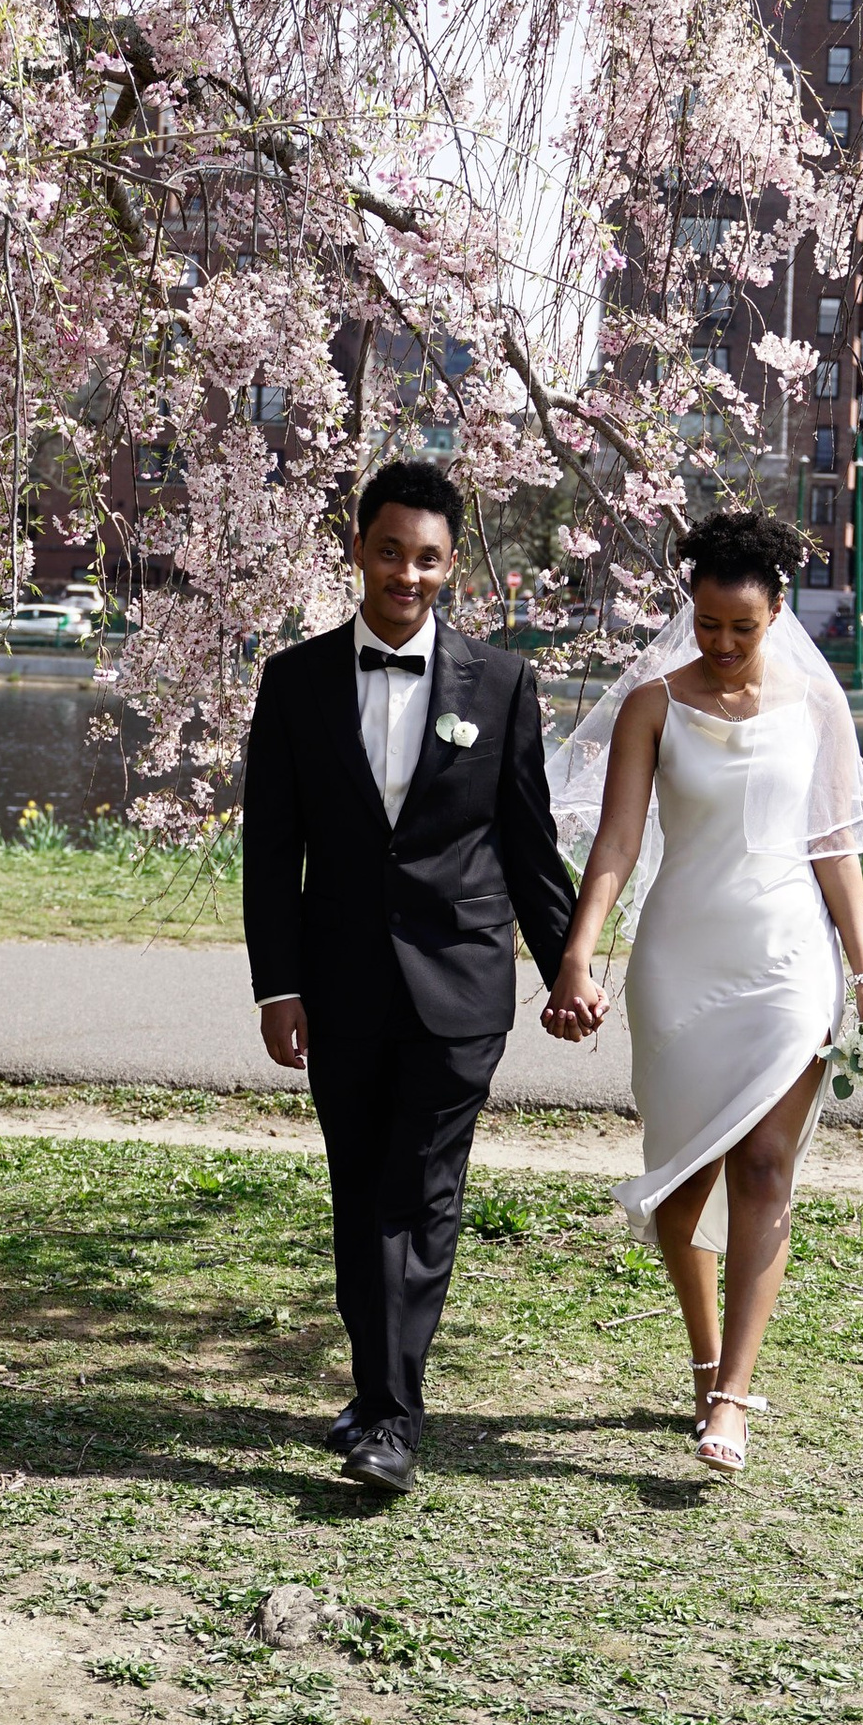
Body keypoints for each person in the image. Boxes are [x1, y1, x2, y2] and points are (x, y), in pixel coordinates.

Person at [243, 462, 577, 1496]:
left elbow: (529, 845)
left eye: (427, 558)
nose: (407, 574)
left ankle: (390, 1417)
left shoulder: (502, 684)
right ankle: (374, 1389)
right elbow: (271, 852)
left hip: (460, 985)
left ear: (450, 566)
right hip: (338, 985)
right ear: (358, 549)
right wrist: (277, 986)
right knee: (359, 1190)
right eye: (389, 551)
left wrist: (567, 965)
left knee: (420, 1191)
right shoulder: (293, 681)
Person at [540, 512, 863, 1472]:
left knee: (765, 1167)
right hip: (680, 962)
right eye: (708, 625)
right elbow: (616, 843)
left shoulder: (816, 706)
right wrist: (577, 956)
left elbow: (834, 847)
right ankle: (702, 1361)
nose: (724, 644)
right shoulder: (653, 704)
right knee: (685, 1179)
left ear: (778, 613)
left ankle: (733, 1394)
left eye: (743, 627)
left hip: (789, 962)